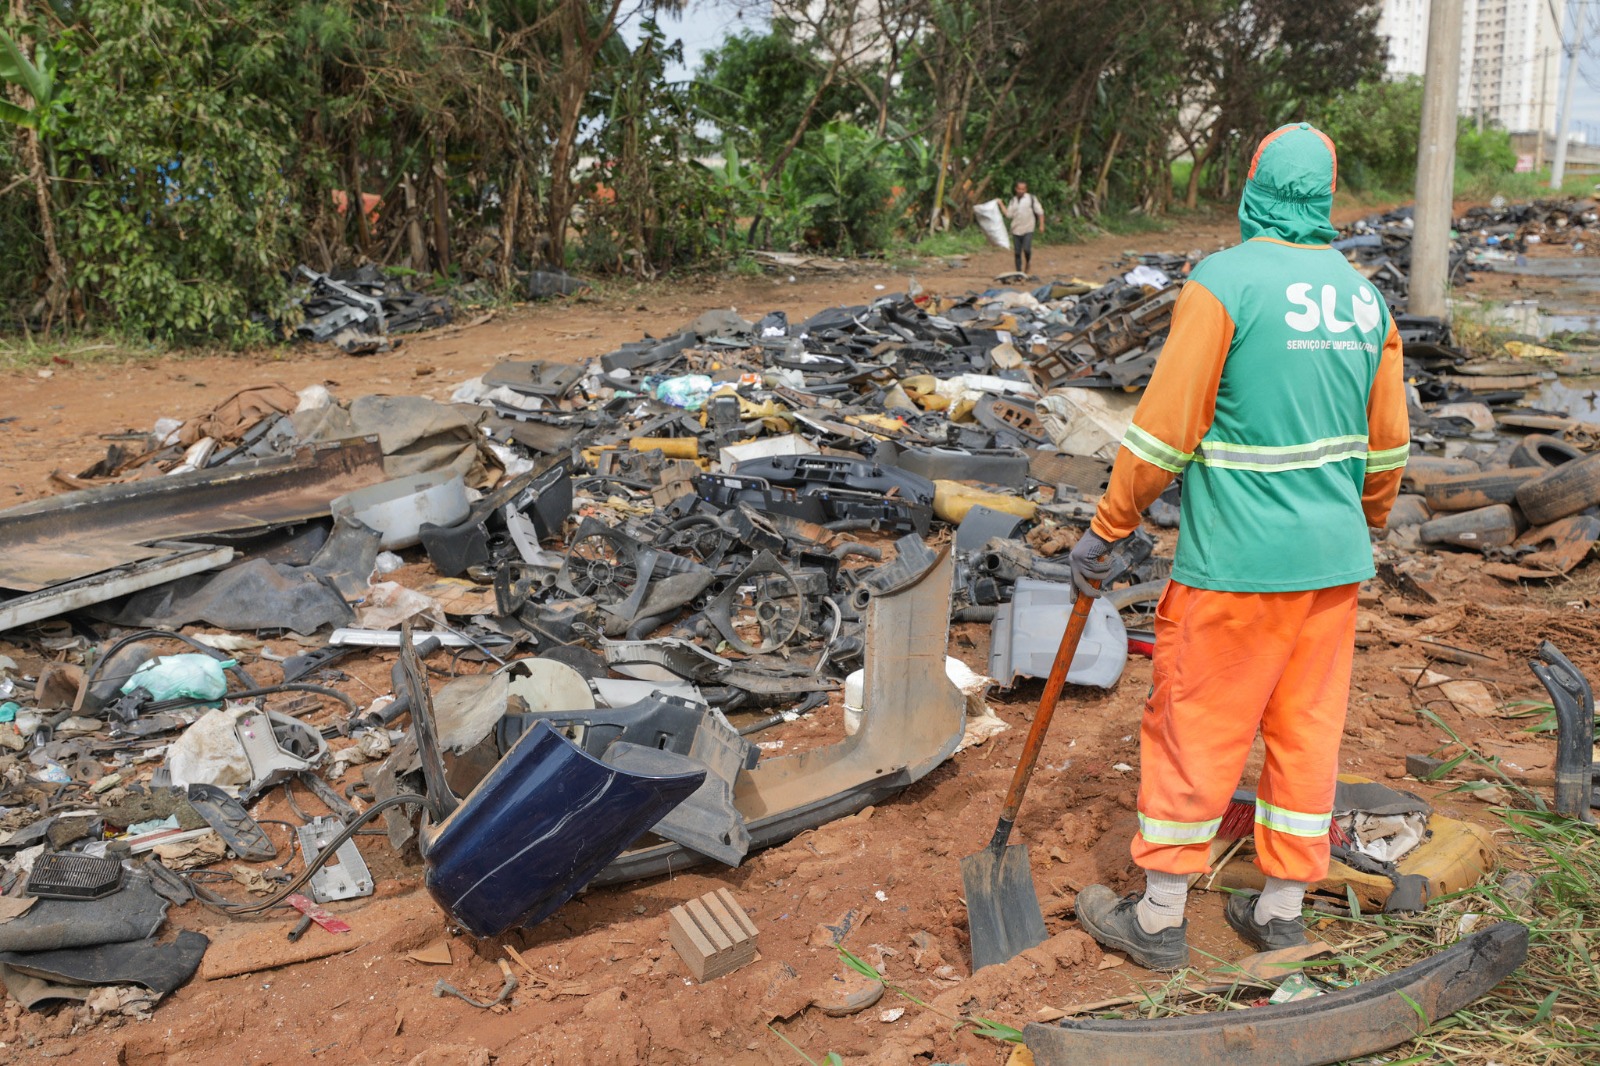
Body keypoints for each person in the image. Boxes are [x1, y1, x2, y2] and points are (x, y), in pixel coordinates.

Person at [1065, 123, 1409, 971]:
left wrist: (1110, 524)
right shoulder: (1366, 300)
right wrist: (1363, 518)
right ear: (1324, 198)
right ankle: (1281, 911)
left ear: (1254, 186)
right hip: (1330, 574)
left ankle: (1157, 922)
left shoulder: (1223, 285)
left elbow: (1165, 432)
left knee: (1195, 728)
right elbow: (1389, 445)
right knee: (1306, 733)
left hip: (1236, 568)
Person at [1005, 181, 1044, 275]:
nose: (1020, 191)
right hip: (1016, 229)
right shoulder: (1013, 201)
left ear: (1026, 190)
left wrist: (1041, 225)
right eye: (1019, 189)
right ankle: (1018, 272)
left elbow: (1040, 212)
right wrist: (1000, 204)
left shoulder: (1031, 199)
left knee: (1026, 248)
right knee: (1017, 252)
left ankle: (1028, 262)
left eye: (1023, 189)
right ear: (1016, 189)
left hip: (1028, 227)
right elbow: (1008, 215)